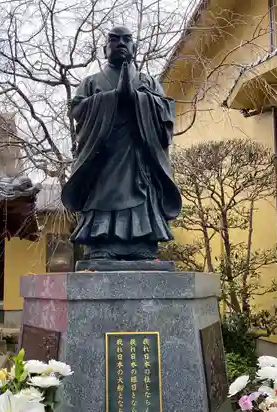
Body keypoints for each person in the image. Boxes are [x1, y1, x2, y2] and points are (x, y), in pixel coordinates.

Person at [61, 26, 182, 260]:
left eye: (127, 40)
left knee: (142, 195)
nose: (121, 44)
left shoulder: (148, 82)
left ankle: (143, 242)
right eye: (114, 40)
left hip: (138, 153)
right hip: (103, 154)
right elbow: (76, 109)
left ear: (134, 48)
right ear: (105, 49)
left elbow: (165, 112)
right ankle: (100, 243)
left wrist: (140, 99)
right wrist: (113, 98)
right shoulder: (91, 82)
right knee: (102, 195)